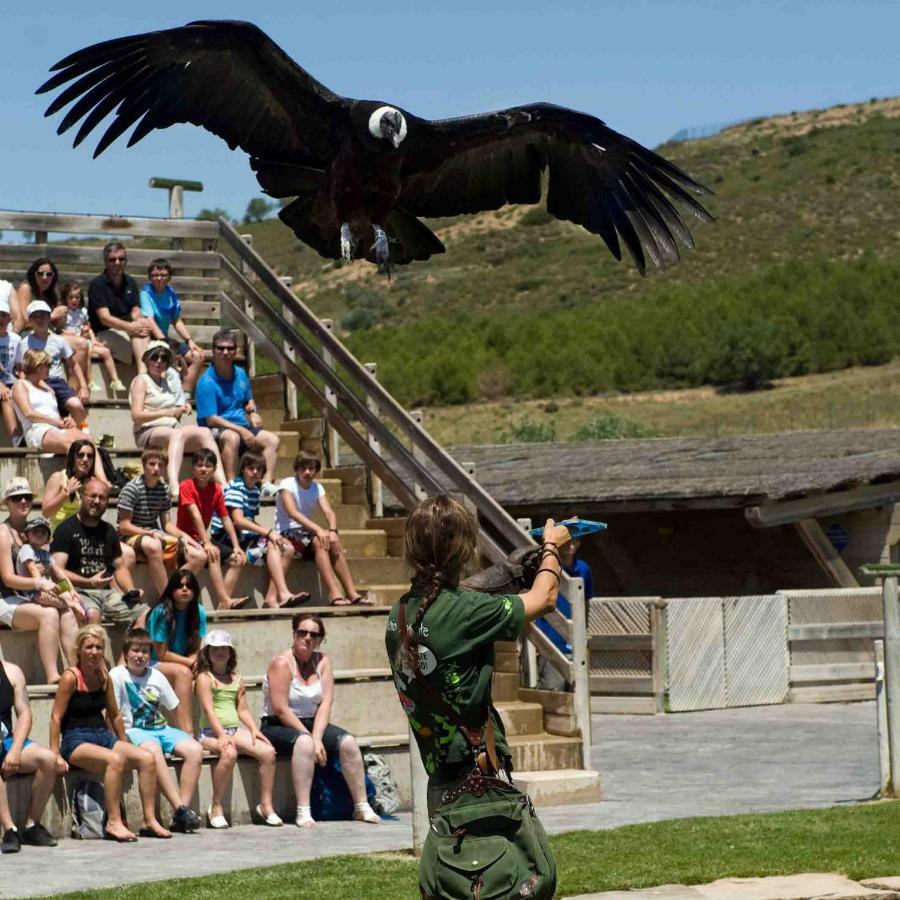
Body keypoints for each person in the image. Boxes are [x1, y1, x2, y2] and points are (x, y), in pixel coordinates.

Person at [384, 495, 569, 815]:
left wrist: (508, 571)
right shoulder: (465, 612)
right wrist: (552, 546)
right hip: (477, 787)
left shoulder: (400, 612)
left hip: (440, 785)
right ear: (465, 549)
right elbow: (545, 598)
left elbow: (454, 601)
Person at [49, 624, 171, 841]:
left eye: (98, 647)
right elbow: (56, 717)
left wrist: (125, 742)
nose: (94, 652)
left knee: (146, 758)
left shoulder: (104, 676)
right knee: (114, 760)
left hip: (101, 735)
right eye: (89, 647)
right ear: (79, 649)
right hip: (76, 738)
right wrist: (55, 753)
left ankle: (149, 820)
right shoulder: (70, 677)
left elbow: (114, 715)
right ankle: (114, 822)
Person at [261, 613, 379, 828]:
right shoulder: (281, 663)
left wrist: (317, 736)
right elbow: (280, 709)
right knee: (305, 744)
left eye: (314, 634)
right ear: (294, 634)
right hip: (278, 724)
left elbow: (326, 703)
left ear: (320, 639)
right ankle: (303, 811)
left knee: (348, 742)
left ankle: (362, 806)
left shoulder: (322, 661)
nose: (307, 638)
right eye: (302, 633)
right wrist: (311, 739)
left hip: (311, 722)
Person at [109, 628, 203, 833]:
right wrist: (119, 739)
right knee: (153, 748)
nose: (139, 656)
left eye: (144, 652)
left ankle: (182, 813)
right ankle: (180, 808)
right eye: (135, 651)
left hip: (161, 727)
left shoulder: (157, 675)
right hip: (134, 730)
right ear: (125, 654)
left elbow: (174, 707)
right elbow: (112, 711)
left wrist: (184, 731)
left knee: (194, 749)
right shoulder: (117, 675)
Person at [196, 629, 281, 828]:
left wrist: (253, 729)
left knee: (268, 752)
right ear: (207, 653)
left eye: (224, 648)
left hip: (234, 730)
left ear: (231, 652)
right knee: (229, 754)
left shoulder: (237, 678)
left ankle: (266, 805)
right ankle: (215, 806)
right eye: (215, 649)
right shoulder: (204, 678)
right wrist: (221, 734)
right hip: (209, 732)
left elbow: (242, 709)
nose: (220, 652)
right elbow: (208, 710)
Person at [0, 477, 79, 684]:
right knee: (50, 614)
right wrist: (39, 583)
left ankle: (74, 672)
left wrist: (66, 588)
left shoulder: (34, 530)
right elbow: (8, 579)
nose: (23, 501)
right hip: (7, 600)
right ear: (7, 502)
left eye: (26, 497)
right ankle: (53, 676)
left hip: (29, 597)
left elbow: (50, 567)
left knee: (68, 613)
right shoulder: (3, 532)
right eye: (17, 498)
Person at [129, 340, 226, 496]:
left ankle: (223, 483)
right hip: (147, 431)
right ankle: (173, 485)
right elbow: (136, 415)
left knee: (204, 433)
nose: (159, 361)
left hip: (170, 429)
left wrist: (183, 407)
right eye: (154, 357)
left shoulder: (167, 381)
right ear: (147, 360)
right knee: (177, 434)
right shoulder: (141, 381)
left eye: (163, 358)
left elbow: (174, 404)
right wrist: (167, 413)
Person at [212, 452, 306, 609]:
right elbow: (238, 520)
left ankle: (273, 598)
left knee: (287, 548)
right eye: (251, 468)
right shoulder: (236, 487)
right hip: (226, 537)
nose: (255, 472)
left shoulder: (254, 490)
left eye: (259, 469)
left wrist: (268, 534)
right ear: (243, 469)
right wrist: (268, 532)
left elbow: (249, 520)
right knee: (270, 544)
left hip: (245, 536)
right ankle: (224, 604)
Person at [50, 478, 147, 629]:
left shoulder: (108, 531)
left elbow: (120, 568)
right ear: (82, 497)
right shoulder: (66, 529)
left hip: (107, 594)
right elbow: (56, 571)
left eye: (102, 498)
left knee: (143, 613)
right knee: (93, 614)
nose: (97, 501)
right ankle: (90, 652)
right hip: (78, 591)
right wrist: (89, 582)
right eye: (92, 496)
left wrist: (131, 590)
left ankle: (128, 653)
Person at [276, 453, 370, 607]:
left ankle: (352, 593)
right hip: (288, 531)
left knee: (332, 542)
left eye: (311, 469)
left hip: (307, 531)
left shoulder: (317, 487)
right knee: (320, 540)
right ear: (297, 469)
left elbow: (329, 512)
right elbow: (292, 512)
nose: (307, 472)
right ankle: (334, 593)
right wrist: (319, 529)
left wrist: (333, 531)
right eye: (303, 468)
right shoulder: (287, 484)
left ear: (316, 470)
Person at [117, 447, 206, 598]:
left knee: (200, 556)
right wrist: (148, 532)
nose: (156, 469)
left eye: (161, 465)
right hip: (131, 535)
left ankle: (173, 587)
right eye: (152, 464)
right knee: (153, 545)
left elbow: (167, 525)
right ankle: (166, 598)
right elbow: (124, 526)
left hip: (155, 534)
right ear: (144, 465)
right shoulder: (131, 489)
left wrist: (188, 539)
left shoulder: (164, 489)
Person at [196, 329, 280, 488]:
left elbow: (249, 400)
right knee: (232, 437)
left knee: (272, 440)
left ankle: (266, 484)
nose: (225, 352)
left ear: (236, 351)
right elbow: (211, 419)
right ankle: (231, 483)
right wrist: (241, 431)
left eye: (230, 348)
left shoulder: (240, 374)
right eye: (221, 348)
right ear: (213, 351)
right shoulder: (206, 382)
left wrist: (254, 412)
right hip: (216, 428)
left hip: (242, 424)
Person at [0, 658, 65, 852]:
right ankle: (9, 830)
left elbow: (25, 714)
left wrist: (15, 750)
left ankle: (31, 825)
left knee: (48, 760)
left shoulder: (12, 671)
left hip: (6, 741)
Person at [177, 448, 248, 610]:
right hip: (185, 538)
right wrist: (207, 542)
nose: (203, 469)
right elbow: (195, 516)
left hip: (202, 540)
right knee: (212, 552)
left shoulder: (216, 489)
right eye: (199, 465)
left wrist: (237, 546)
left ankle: (223, 604)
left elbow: (226, 519)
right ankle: (225, 599)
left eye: (208, 466)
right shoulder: (186, 486)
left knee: (237, 559)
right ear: (193, 468)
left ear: (215, 469)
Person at [145, 569, 207, 735]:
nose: (185, 589)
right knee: (183, 673)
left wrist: (194, 661)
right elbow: (161, 654)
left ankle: (211, 730)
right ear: (172, 589)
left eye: (189, 586)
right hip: (151, 663)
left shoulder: (199, 611)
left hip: (183, 662)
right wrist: (191, 663)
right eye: (180, 586)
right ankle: (186, 731)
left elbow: (195, 647)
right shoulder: (162, 612)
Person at [16, 300, 90, 427]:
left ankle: (74, 430)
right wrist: (26, 387)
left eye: (44, 316)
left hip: (56, 381)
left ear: (49, 317)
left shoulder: (59, 340)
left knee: (77, 406)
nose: (40, 320)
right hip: (35, 382)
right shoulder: (24, 343)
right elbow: (21, 369)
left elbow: (74, 364)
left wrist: (83, 386)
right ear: (30, 320)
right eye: (36, 317)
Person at [87, 242, 159, 366]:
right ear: (105, 261)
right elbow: (105, 319)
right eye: (112, 260)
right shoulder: (98, 285)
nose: (117, 263)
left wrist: (138, 321)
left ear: (126, 261)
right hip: (104, 332)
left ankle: (143, 375)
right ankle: (144, 376)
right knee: (140, 351)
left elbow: (135, 308)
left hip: (127, 329)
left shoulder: (130, 282)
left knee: (143, 332)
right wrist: (130, 327)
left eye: (121, 259)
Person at [139, 259, 205, 394]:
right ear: (150, 277)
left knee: (198, 357)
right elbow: (150, 321)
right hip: (151, 339)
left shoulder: (171, 294)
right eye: (155, 275)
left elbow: (176, 320)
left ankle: (184, 393)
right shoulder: (145, 295)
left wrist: (189, 340)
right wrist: (165, 345)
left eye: (163, 275)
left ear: (169, 277)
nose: (159, 279)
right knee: (166, 358)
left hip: (166, 339)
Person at [52, 281, 126, 395]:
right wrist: (74, 335)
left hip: (84, 339)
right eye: (71, 297)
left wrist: (94, 340)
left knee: (106, 351)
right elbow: (60, 330)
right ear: (65, 298)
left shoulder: (83, 312)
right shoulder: (64, 312)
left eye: (77, 297)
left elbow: (88, 328)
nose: (74, 300)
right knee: (86, 349)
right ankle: (90, 381)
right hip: (71, 343)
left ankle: (115, 380)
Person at [11, 350, 90, 452]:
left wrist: (66, 420)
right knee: (71, 444)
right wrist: (58, 422)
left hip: (57, 428)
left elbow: (53, 413)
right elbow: (29, 414)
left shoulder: (48, 389)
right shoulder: (20, 385)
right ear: (38, 367)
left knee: (88, 442)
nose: (50, 368)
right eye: (48, 365)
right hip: (37, 430)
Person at [41, 438, 110, 533]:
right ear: (72, 457)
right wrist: (65, 493)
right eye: (80, 455)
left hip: (85, 534)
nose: (85, 459)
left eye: (89, 456)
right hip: (60, 533)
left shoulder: (94, 484)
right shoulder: (58, 478)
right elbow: (46, 512)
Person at [15, 257, 59, 334]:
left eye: (49, 274)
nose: (44, 277)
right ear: (34, 274)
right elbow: (26, 320)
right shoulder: (26, 288)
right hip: (29, 333)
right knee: (80, 343)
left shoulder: (50, 294)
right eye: (40, 274)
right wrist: (52, 316)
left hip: (47, 332)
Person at [0, 289, 22, 442]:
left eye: (3, 315)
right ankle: (16, 441)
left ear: (10, 318)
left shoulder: (16, 339)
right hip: (2, 385)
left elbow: (20, 368)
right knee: (6, 397)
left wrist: (21, 383)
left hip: (10, 381)